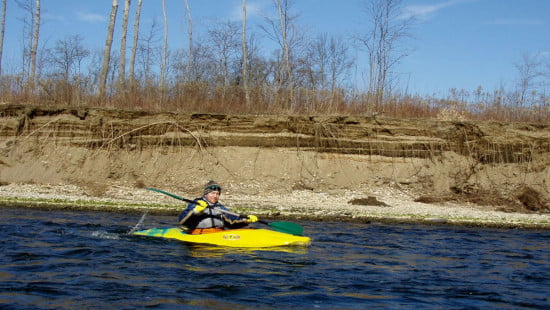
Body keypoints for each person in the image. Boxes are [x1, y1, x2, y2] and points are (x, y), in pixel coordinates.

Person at [178, 180, 258, 234]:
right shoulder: (197, 203)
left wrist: (246, 220)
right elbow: (182, 221)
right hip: (199, 234)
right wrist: (195, 211)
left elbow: (231, 222)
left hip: (218, 234)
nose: (215, 196)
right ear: (206, 194)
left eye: (217, 194)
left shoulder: (219, 207)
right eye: (213, 193)